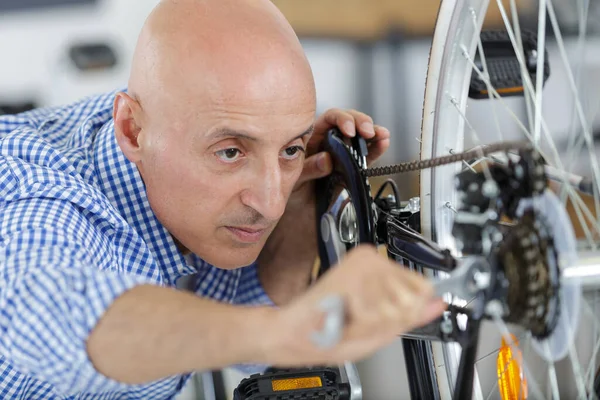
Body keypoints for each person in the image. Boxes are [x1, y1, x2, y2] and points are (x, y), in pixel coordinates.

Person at [0, 0, 446, 398]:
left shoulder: (174, 130)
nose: (269, 202)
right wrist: (285, 331)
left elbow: (246, 332)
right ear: (131, 130)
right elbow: (45, 317)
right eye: (231, 151)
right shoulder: (39, 189)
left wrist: (303, 207)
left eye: (289, 148)